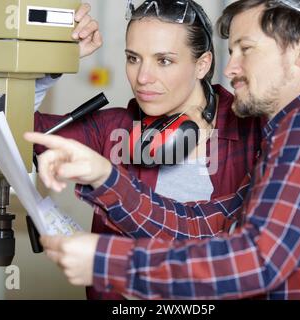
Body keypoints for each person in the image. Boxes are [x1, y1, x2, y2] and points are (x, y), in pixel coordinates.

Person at [26, 0, 300, 299]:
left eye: (245, 49)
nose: (230, 68)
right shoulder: (292, 133)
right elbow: (209, 228)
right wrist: (106, 177)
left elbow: (255, 259)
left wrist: (107, 260)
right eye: (133, 58)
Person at [34, 0, 264, 299]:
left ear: (202, 64)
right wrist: (53, 62)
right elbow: (13, 128)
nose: (142, 77)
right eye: (133, 58)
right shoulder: (114, 129)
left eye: (164, 60)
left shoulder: (253, 130)